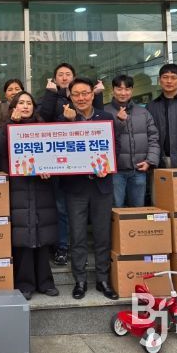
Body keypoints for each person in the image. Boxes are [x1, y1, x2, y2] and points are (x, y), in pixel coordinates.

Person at [0, 91, 59, 300]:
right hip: (18, 187)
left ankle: (45, 282)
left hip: (41, 187)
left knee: (42, 234)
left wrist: (49, 170)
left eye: (29, 103)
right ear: (13, 107)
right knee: (23, 236)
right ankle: (25, 283)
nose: (25, 106)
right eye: (20, 103)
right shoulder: (7, 126)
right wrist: (10, 124)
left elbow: (55, 155)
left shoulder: (43, 128)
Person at [38, 63, 104, 267]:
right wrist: (50, 95)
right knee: (61, 208)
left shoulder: (83, 99)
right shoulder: (50, 97)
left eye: (68, 74)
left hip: (84, 166)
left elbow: (99, 125)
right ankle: (63, 247)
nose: (64, 77)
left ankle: (81, 250)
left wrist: (98, 96)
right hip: (59, 163)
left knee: (82, 211)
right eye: (60, 74)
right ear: (54, 78)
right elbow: (44, 121)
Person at [59, 77, 118, 300]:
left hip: (101, 186)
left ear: (93, 95)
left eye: (85, 93)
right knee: (78, 236)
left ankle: (103, 280)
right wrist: (70, 122)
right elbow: (56, 150)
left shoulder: (106, 118)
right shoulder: (62, 119)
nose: (81, 98)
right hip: (75, 188)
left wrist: (108, 166)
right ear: (70, 97)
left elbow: (115, 146)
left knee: (103, 235)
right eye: (76, 94)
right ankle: (80, 280)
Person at [104, 74, 160, 207]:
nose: (123, 93)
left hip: (139, 170)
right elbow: (103, 140)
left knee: (137, 209)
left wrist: (150, 161)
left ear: (132, 90)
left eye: (127, 89)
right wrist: (119, 121)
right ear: (113, 90)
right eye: (119, 89)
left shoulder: (143, 112)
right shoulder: (104, 112)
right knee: (116, 209)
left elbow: (153, 138)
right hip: (115, 172)